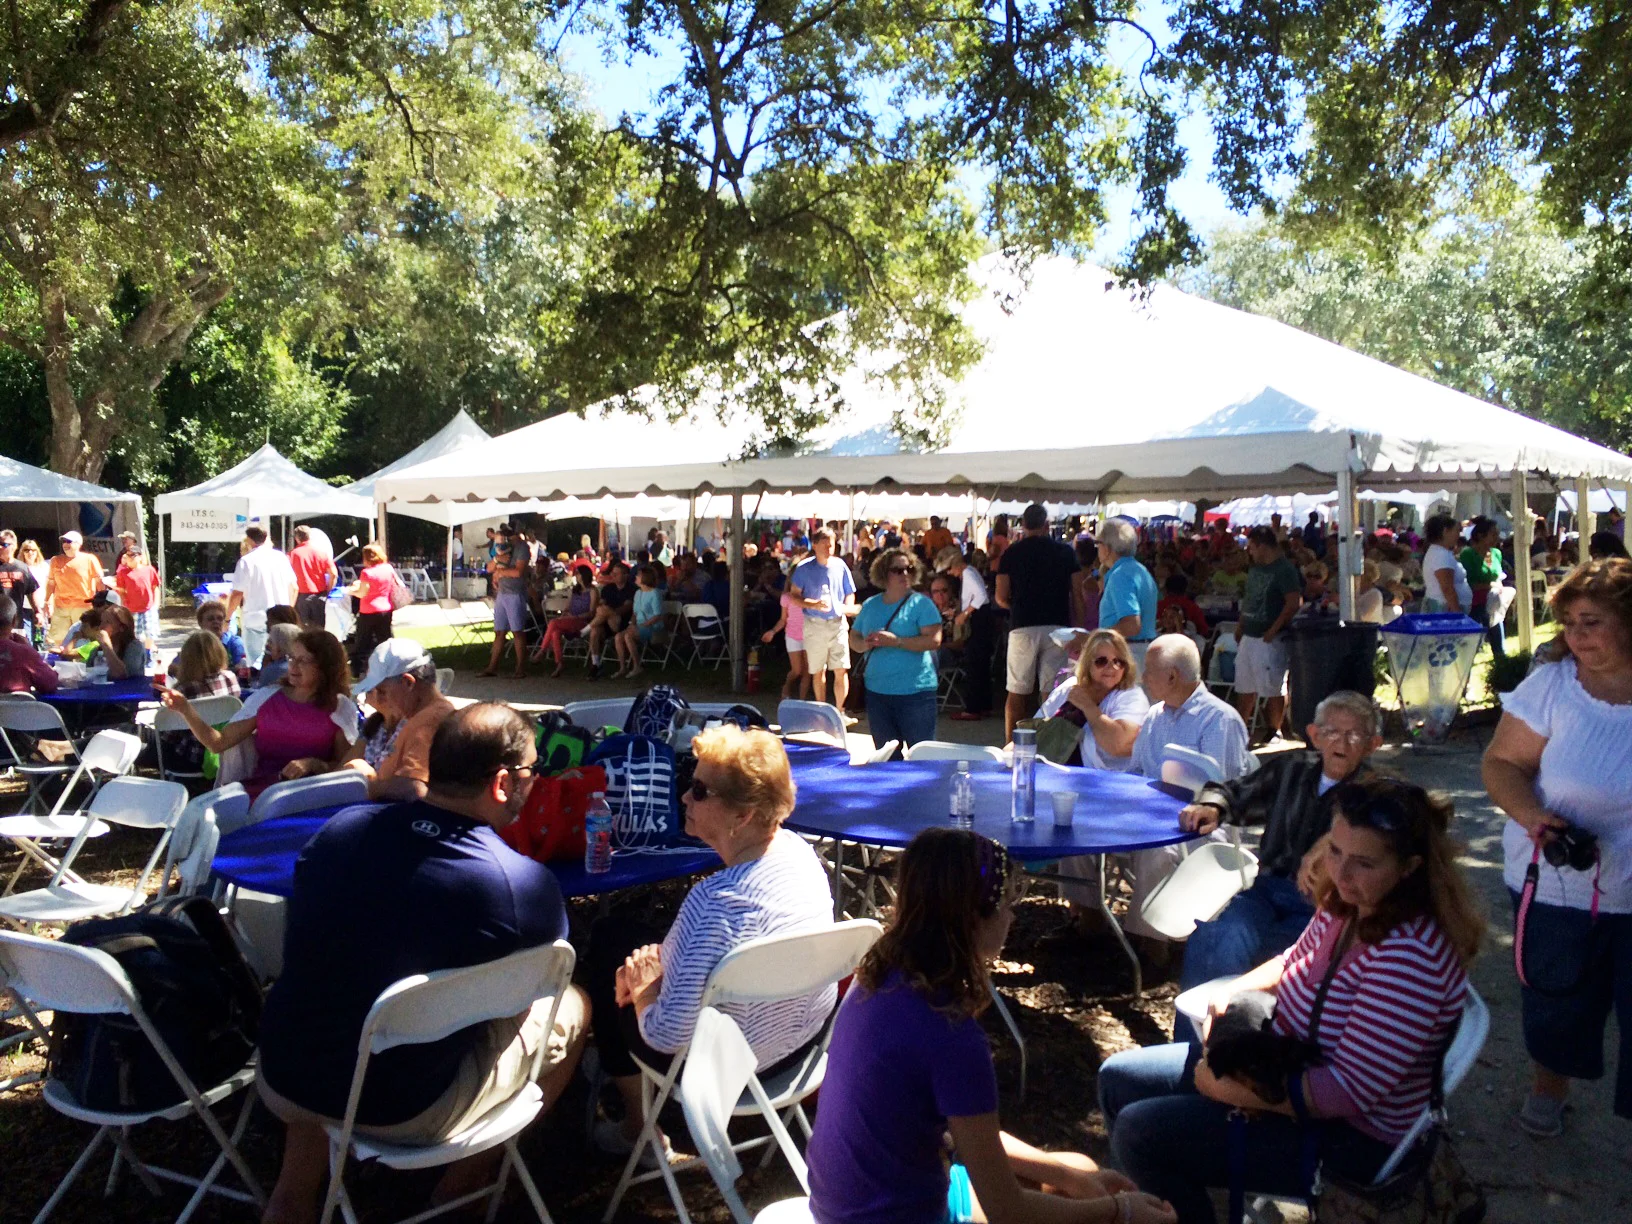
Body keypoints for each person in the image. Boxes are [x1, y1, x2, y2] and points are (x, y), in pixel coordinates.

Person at [256, 703, 588, 1224]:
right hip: (401, 1108)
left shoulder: (342, 830)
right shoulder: (519, 885)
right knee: (573, 1003)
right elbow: (532, 992)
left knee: (338, 1000)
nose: (536, 781)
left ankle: (292, 1197)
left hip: (282, 1075)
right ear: (503, 782)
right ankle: (461, 1192)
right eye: (532, 771)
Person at [1100, 777, 1483, 1224]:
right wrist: (1231, 993)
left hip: (1349, 1138)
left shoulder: (1410, 956)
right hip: (1285, 1067)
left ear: (1410, 868)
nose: (1341, 873)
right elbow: (1294, 961)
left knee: (1141, 1133)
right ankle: (1160, 1203)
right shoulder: (1351, 904)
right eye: (1335, 851)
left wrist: (1224, 1087)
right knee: (1117, 1078)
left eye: (1363, 862)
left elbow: (1346, 1091)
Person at [807, 828, 1175, 1224]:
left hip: (841, 1205)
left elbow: (961, 1132)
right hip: (899, 1213)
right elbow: (1008, 1209)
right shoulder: (952, 1035)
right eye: (1005, 904)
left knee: (1080, 1171)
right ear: (972, 919)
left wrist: (1067, 1177)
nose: (1012, 916)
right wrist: (1119, 1212)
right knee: (1094, 1204)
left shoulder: (879, 975)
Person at [585, 726, 835, 1157]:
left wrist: (643, 989)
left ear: (743, 815)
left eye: (700, 791)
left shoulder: (715, 902)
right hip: (799, 1048)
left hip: (728, 1065)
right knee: (623, 938)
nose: (684, 796)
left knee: (612, 956)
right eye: (689, 781)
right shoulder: (799, 854)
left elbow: (665, 1034)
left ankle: (638, 1131)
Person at [1481, 556, 1632, 1138]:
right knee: (1556, 997)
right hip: (1558, 882)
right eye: (1569, 624)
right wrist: (1533, 817)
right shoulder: (1551, 686)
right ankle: (1549, 1087)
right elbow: (1501, 764)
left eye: (1592, 622)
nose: (1577, 636)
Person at [1175, 691, 1383, 1022]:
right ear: (1315, 735)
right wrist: (1212, 806)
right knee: (1215, 939)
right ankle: (1198, 1047)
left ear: (1372, 744)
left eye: (1354, 735)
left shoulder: (1376, 792)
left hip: (1325, 907)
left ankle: (1240, 1041)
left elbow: (1405, 835)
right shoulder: (1293, 769)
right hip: (1267, 892)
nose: (1341, 742)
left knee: (1275, 959)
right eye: (1332, 732)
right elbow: (1234, 792)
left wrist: (1329, 844)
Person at [1121, 635, 1253, 947]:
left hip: (1203, 828)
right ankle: (1090, 922)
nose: (1143, 677)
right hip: (1151, 817)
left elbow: (1222, 795)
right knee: (1082, 825)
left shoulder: (1219, 719)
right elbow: (1135, 772)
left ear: (1172, 677)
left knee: (1156, 851)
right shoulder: (1156, 715)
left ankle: (1149, 945)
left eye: (1149, 670)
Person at [160, 628, 359, 800]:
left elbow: (346, 767)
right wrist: (186, 709)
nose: (293, 666)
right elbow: (217, 743)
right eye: (291, 658)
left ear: (325, 666)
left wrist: (315, 764)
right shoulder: (266, 698)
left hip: (314, 795)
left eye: (303, 660)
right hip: (263, 792)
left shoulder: (339, 708)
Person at [996, 504, 1078, 741]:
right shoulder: (1065, 552)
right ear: (1047, 524)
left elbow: (1000, 596)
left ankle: (1011, 744)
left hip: (1023, 625)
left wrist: (1015, 606)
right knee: (1051, 691)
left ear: (1023, 525)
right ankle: (1049, 743)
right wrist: (1079, 627)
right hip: (1058, 625)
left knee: (1017, 691)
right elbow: (1077, 594)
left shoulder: (1012, 553)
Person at [849, 549, 943, 749]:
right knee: (887, 759)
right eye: (898, 570)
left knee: (921, 756)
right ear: (884, 573)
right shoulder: (871, 605)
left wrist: (897, 641)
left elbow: (934, 641)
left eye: (909, 569)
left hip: (915, 693)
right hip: (877, 693)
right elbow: (854, 637)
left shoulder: (922, 604)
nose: (905, 574)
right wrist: (865, 644)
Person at [342, 639, 455, 803]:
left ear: (408, 683)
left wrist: (369, 782)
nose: (379, 699)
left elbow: (415, 788)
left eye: (382, 691)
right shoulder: (420, 717)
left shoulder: (430, 721)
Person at [1037, 629, 1150, 770]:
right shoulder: (1070, 687)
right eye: (1101, 661)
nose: (1111, 667)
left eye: (1119, 661)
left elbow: (1118, 746)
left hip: (1107, 777)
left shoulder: (1132, 696)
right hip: (1054, 769)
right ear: (1087, 663)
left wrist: (1088, 707)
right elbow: (1036, 727)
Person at [1233, 526, 1302, 744]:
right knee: (1244, 685)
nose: (1250, 552)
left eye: (1252, 547)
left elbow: (1293, 602)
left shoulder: (1285, 570)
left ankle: (1275, 729)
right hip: (1249, 633)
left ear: (1262, 546)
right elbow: (1249, 599)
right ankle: (1240, 729)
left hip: (1269, 637)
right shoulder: (1255, 569)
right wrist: (1241, 625)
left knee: (1273, 685)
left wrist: (1274, 629)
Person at [789, 529, 858, 711]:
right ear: (815, 545)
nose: (829, 549)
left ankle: (840, 710)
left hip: (837, 622)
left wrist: (847, 607)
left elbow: (850, 592)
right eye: (825, 545)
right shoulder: (804, 568)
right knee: (818, 670)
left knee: (841, 668)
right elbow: (794, 596)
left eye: (831, 545)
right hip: (814, 624)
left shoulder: (840, 565)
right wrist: (811, 604)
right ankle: (822, 711)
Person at [937, 544, 996, 722]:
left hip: (978, 621)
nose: (949, 573)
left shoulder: (968, 574)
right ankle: (984, 705)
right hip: (982, 619)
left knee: (974, 664)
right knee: (981, 665)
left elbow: (981, 597)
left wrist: (964, 614)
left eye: (949, 568)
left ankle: (973, 708)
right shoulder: (971, 572)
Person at [226, 526, 299, 669]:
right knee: (284, 661)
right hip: (281, 619)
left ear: (249, 540)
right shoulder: (281, 558)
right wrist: (288, 610)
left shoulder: (246, 561)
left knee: (255, 664)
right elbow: (294, 587)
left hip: (255, 619)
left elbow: (237, 594)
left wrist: (227, 618)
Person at [1095, 519, 1158, 668]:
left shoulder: (1120, 575)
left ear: (1107, 548)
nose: (1097, 548)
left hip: (1128, 653)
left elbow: (1131, 625)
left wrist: (1095, 638)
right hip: (1140, 651)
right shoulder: (1139, 570)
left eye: (1098, 543)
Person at [43, 530, 107, 649]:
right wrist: (46, 601)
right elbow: (51, 582)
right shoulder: (55, 560)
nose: (65, 544)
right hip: (61, 606)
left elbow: (99, 581)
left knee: (83, 636)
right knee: (56, 639)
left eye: (69, 541)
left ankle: (81, 659)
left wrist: (102, 602)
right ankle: (58, 658)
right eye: (64, 541)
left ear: (78, 544)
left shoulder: (89, 559)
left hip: (83, 606)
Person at [533, 563, 597, 678]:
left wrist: (577, 616)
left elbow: (592, 612)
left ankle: (542, 650)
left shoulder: (592, 591)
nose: (576, 576)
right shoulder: (575, 590)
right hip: (570, 619)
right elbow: (568, 607)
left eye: (578, 573)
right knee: (555, 632)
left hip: (582, 621)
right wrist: (565, 615)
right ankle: (559, 663)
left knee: (553, 623)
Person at [479, 535, 529, 678]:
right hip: (502, 593)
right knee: (499, 632)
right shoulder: (501, 548)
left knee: (517, 631)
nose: (507, 539)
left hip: (515, 593)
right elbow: (489, 568)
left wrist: (500, 573)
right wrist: (496, 560)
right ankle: (492, 667)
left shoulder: (522, 548)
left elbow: (518, 571)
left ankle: (520, 668)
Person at [1459, 516, 1509, 655]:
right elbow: (1469, 582)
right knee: (1471, 640)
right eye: (1493, 534)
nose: (1497, 538)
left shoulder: (1495, 553)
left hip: (1493, 601)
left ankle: (1500, 658)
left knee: (1496, 625)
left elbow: (1496, 575)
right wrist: (1491, 585)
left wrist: (1498, 587)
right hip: (1474, 602)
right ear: (1481, 536)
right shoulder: (1468, 554)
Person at [346, 542, 399, 672]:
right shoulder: (388, 568)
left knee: (362, 641)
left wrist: (350, 591)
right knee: (385, 640)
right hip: (386, 608)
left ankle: (357, 669)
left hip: (368, 610)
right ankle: (391, 665)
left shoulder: (366, 573)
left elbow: (362, 593)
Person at [762, 576, 811, 701]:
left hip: (809, 636)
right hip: (793, 635)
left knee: (807, 671)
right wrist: (773, 631)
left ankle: (802, 701)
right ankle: (787, 686)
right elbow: (783, 619)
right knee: (797, 670)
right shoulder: (786, 597)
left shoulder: (811, 598)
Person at [614, 563, 665, 679]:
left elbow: (657, 615)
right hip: (639, 625)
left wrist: (642, 625)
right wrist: (631, 623)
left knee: (628, 636)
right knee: (618, 637)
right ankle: (622, 667)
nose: (636, 577)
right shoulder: (638, 593)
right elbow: (635, 612)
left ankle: (637, 665)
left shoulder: (655, 593)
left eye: (638, 575)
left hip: (652, 626)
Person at [584, 559, 633, 680]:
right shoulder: (608, 588)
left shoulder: (632, 589)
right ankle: (596, 664)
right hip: (605, 623)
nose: (613, 575)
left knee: (604, 610)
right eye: (612, 573)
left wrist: (609, 612)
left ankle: (583, 631)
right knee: (595, 631)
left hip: (622, 623)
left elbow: (626, 608)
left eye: (616, 573)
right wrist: (605, 612)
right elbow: (600, 605)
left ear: (625, 575)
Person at [0, 595, 57, 693]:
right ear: (14, 621)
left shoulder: (24, 652)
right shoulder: (25, 653)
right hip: (18, 703)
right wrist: (29, 649)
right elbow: (50, 684)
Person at [1421, 513, 1471, 615]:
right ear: (1445, 531)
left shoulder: (1441, 552)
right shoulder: (1440, 555)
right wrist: (1456, 613)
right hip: (1443, 609)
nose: (1459, 535)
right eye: (1457, 531)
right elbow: (1447, 588)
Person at [290, 525, 338, 630]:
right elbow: (334, 574)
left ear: (297, 538)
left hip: (300, 597)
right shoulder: (321, 553)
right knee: (319, 630)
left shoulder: (292, 555)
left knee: (303, 630)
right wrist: (328, 590)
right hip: (319, 595)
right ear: (310, 536)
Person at [0, 530, 44, 644]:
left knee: (18, 650)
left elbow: (31, 589)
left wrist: (38, 611)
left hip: (16, 623)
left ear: (14, 546)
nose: (0, 547)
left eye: (4, 544)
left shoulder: (22, 568)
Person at [189, 598, 249, 677]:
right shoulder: (194, 643)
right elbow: (176, 666)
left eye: (220, 619)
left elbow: (241, 669)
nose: (216, 622)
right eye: (210, 619)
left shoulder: (234, 643)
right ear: (200, 623)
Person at [86, 604, 147, 679]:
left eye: (107, 622)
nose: (101, 626)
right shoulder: (97, 650)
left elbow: (122, 675)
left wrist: (106, 646)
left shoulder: (135, 647)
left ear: (122, 627)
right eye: (101, 621)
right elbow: (87, 672)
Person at [255, 622, 301, 689]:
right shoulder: (303, 665)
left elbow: (260, 693)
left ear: (282, 646)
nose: (267, 645)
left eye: (271, 642)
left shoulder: (275, 669)